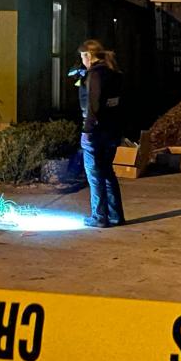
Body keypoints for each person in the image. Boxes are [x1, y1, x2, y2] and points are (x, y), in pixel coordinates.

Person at [77, 39, 125, 228]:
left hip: (96, 132)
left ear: (88, 55)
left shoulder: (95, 75)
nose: (82, 61)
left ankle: (99, 217)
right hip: (112, 130)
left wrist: (87, 130)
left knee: (95, 174)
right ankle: (115, 215)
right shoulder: (114, 72)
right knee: (107, 172)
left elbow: (94, 105)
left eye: (82, 57)